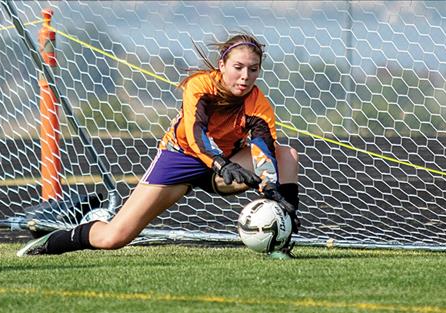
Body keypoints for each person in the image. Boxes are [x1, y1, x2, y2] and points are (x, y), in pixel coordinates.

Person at [17, 32, 301, 259]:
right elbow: (195, 135)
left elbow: (264, 149)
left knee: (286, 155)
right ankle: (51, 241)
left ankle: (282, 240)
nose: (245, 76)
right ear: (222, 65)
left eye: (253, 70)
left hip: (220, 169)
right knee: (115, 237)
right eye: (238, 67)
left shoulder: (258, 103)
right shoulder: (199, 86)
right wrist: (221, 163)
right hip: (181, 159)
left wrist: (273, 192)